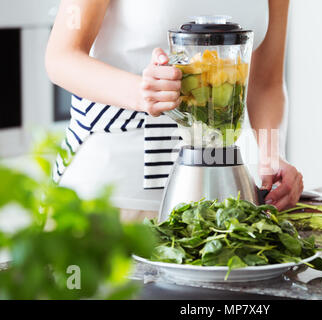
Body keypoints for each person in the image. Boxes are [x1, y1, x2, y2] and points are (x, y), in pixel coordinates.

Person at [45, 0, 303, 220]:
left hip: (217, 201)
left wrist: (271, 155)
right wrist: (141, 92)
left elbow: (265, 83)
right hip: (113, 199)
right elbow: (61, 58)